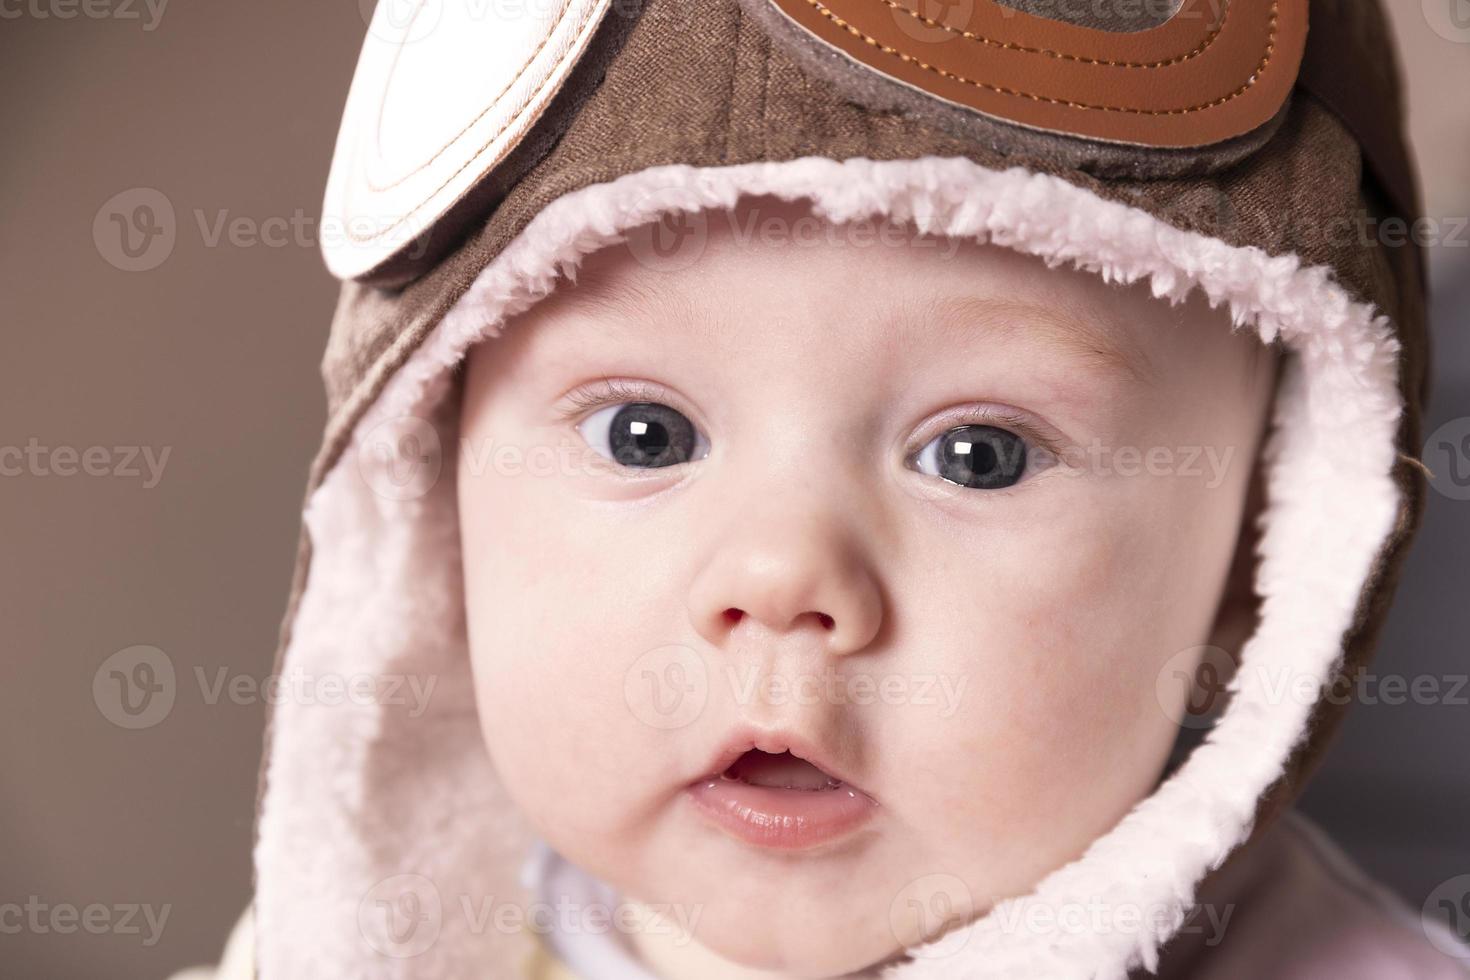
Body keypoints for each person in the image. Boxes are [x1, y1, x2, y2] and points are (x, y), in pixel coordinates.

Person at [176, 0, 1469, 977]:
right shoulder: (357, 940)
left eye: (980, 454)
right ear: (432, 501)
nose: (782, 579)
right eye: (642, 434)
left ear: (1261, 557)